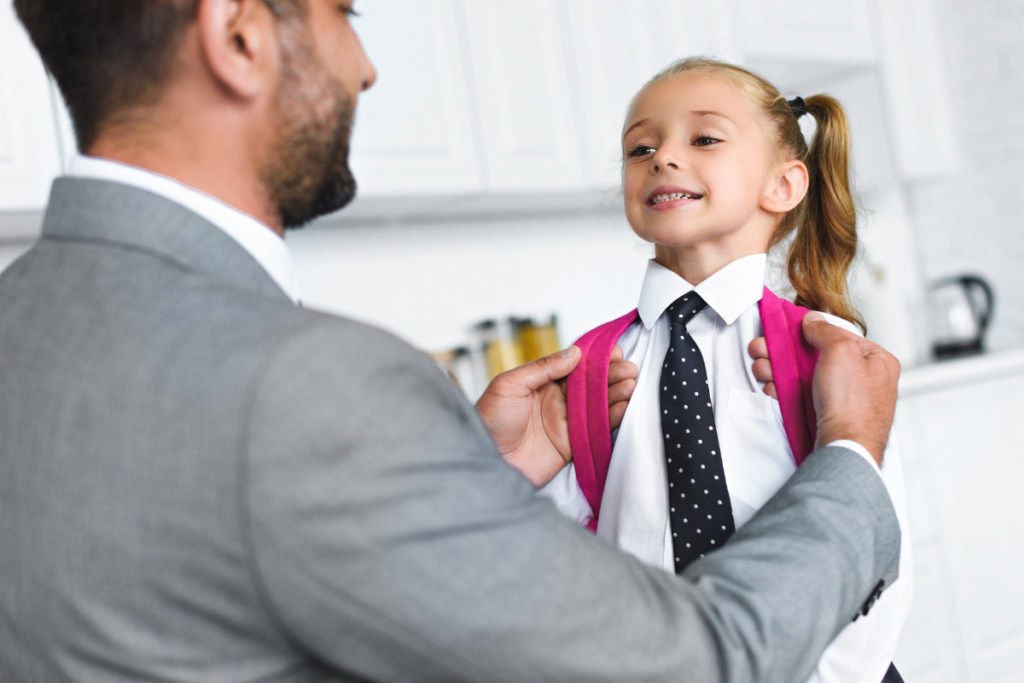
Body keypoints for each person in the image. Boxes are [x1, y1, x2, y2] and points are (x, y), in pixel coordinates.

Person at [0, 3, 901, 681]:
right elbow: (696, 661)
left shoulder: (21, 322)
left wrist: (471, 474)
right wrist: (854, 450)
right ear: (238, 35)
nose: (365, 69)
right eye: (343, 14)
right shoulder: (314, 385)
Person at [533, 58, 913, 683]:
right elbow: (563, 552)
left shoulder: (831, 352)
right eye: (640, 148)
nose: (663, 158)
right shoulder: (593, 365)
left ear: (784, 186)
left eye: (704, 139)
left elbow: (876, 535)